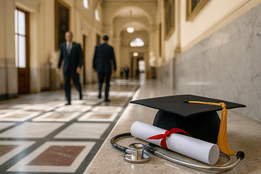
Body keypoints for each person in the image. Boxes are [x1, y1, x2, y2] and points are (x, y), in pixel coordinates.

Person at [57, 31, 83, 105]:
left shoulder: (77, 46)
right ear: (65, 37)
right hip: (66, 68)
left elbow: (80, 57)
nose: (68, 37)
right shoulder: (62, 46)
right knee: (66, 84)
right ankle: (68, 100)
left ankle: (80, 92)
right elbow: (61, 57)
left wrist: (79, 66)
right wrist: (58, 67)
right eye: (67, 36)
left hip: (75, 68)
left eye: (70, 36)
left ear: (72, 37)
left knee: (76, 82)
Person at [93, 35, 117, 102]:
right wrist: (115, 68)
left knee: (100, 81)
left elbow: (94, 58)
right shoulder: (110, 48)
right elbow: (113, 59)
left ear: (102, 39)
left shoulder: (97, 47)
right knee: (107, 83)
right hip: (107, 68)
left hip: (99, 68)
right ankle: (106, 97)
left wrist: (94, 67)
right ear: (108, 40)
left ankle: (100, 92)